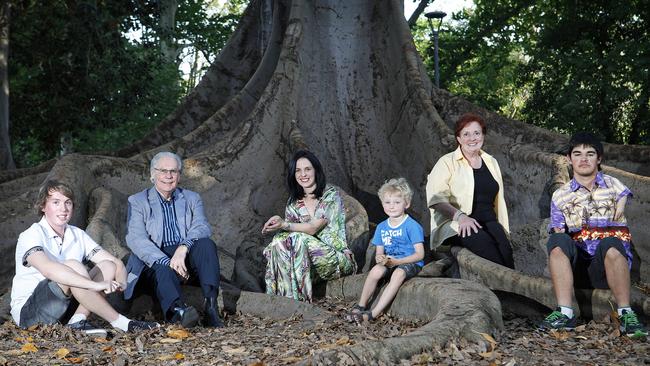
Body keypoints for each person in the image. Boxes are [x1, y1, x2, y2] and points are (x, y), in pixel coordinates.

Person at [10, 180, 159, 335]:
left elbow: (116, 263)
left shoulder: (76, 234)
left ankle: (77, 321)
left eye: (68, 203)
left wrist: (121, 283)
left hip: (65, 311)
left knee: (108, 266)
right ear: (43, 206)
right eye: (56, 202)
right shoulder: (31, 234)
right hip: (31, 314)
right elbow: (48, 270)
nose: (63, 208)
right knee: (73, 266)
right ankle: (122, 323)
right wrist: (95, 285)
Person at [538, 132, 647, 338]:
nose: (583, 159)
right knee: (557, 240)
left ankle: (626, 314)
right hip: (577, 270)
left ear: (599, 158)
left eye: (590, 154)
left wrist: (620, 207)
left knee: (611, 242)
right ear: (569, 159)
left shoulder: (613, 185)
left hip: (607, 269)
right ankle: (565, 313)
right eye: (577, 154)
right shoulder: (560, 195)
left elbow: (625, 194)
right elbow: (559, 229)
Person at [124, 152, 223, 328]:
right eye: (163, 171)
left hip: (183, 257)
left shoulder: (192, 198)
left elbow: (202, 226)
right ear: (152, 174)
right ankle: (178, 312)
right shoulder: (138, 201)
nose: (168, 176)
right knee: (164, 269)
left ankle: (211, 306)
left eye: (173, 171)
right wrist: (168, 261)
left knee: (206, 244)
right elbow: (136, 239)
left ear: (180, 175)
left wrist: (183, 247)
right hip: (153, 260)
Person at [262, 150, 356, 302]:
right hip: (308, 265)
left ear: (316, 170)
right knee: (279, 240)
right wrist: (276, 233)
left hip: (336, 259)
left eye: (307, 169)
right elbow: (287, 239)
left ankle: (300, 302)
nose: (303, 174)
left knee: (296, 239)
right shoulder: (293, 204)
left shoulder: (330, 195)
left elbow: (312, 228)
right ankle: (279, 301)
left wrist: (284, 224)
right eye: (298, 170)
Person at [426, 112, 514, 269]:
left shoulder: (491, 161)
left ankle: (515, 294)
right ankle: (500, 294)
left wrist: (501, 227)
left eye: (476, 133)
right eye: (466, 134)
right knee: (488, 252)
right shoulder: (446, 162)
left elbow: (497, 200)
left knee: (506, 254)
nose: (472, 138)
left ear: (483, 136)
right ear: (459, 139)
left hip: (489, 221)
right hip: (457, 223)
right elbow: (435, 199)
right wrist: (460, 217)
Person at [347, 178, 424, 322]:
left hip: (409, 262)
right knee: (376, 271)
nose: (392, 206)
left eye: (397, 202)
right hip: (390, 262)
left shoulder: (412, 226)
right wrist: (381, 259)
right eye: (387, 202)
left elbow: (420, 254)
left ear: (406, 204)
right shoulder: (382, 227)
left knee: (399, 273)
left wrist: (398, 261)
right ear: (382, 203)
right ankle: (361, 305)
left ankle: (373, 313)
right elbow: (379, 253)